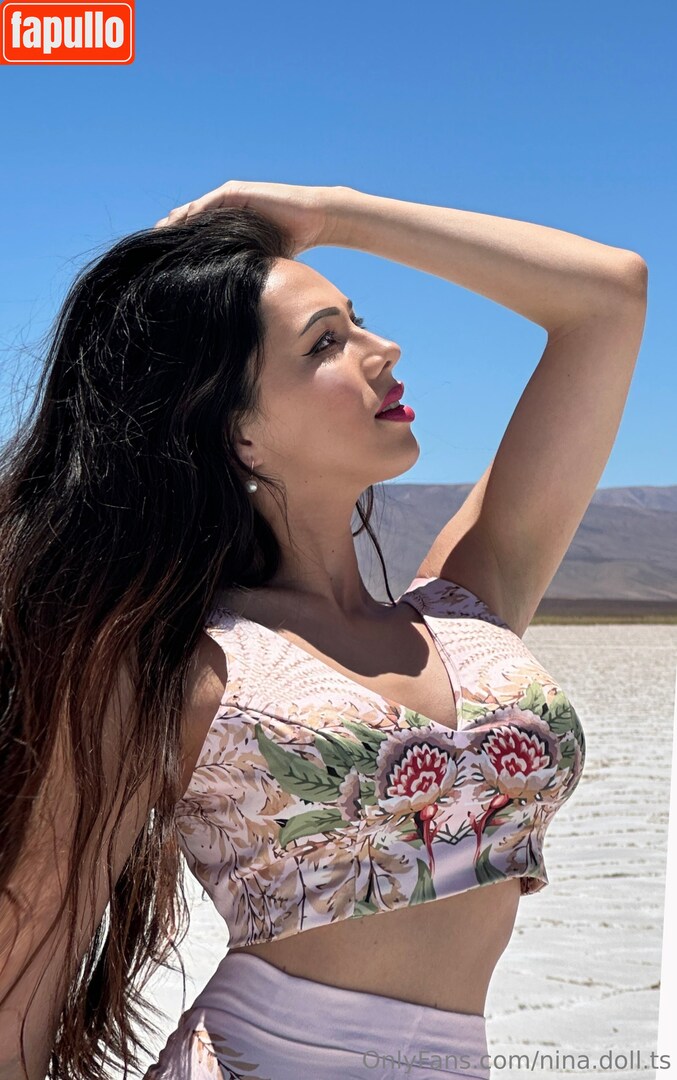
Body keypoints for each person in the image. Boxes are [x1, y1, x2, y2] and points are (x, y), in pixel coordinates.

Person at [0, 182, 647, 1080]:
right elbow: (26, 961)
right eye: (324, 343)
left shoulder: (467, 608)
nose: (384, 350)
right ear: (237, 434)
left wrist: (334, 214)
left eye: (357, 322)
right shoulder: (177, 667)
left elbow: (608, 296)